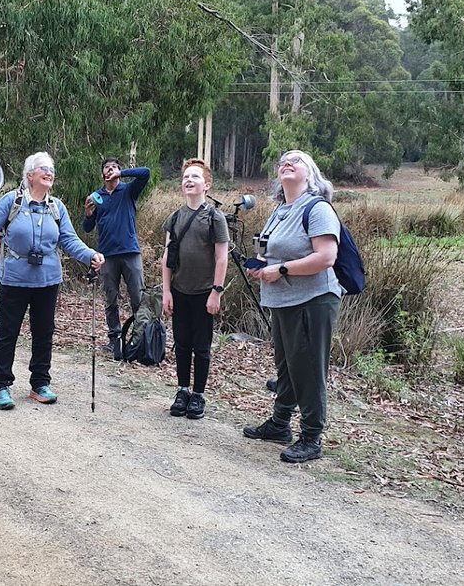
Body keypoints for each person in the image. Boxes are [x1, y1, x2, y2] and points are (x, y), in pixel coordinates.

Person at [0, 152, 104, 410]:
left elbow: (69, 240)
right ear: (29, 175)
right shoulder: (12, 201)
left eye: (51, 169)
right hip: (15, 279)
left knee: (44, 332)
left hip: (48, 279)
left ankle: (40, 384)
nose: (48, 172)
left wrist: (90, 255)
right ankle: (1, 387)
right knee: (8, 332)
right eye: (42, 169)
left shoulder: (57, 207)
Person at [242, 149, 343, 463]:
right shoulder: (278, 211)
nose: (287, 162)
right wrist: (258, 265)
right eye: (283, 160)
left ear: (310, 174)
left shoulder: (317, 208)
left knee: (309, 370)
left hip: (313, 301)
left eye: (296, 160)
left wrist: (282, 269)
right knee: (286, 366)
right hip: (283, 301)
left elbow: (326, 257)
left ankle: (312, 437)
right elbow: (264, 249)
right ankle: (280, 423)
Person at [161, 159, 229, 420]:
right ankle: (182, 390)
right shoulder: (175, 218)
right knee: (182, 343)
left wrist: (217, 291)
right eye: (185, 177)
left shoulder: (214, 217)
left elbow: (221, 258)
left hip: (204, 292)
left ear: (207, 185)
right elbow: (168, 257)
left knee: (201, 346)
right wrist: (166, 291)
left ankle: (198, 394)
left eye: (195, 177)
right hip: (179, 290)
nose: (189, 181)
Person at [82, 157, 150, 358]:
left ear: (119, 171)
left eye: (114, 167)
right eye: (106, 168)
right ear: (102, 174)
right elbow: (87, 228)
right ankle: (115, 341)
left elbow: (145, 172)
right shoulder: (97, 197)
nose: (110, 170)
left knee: (138, 298)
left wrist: (122, 174)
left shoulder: (128, 190)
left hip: (130, 252)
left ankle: (141, 341)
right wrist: (87, 214)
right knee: (111, 299)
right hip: (107, 255)